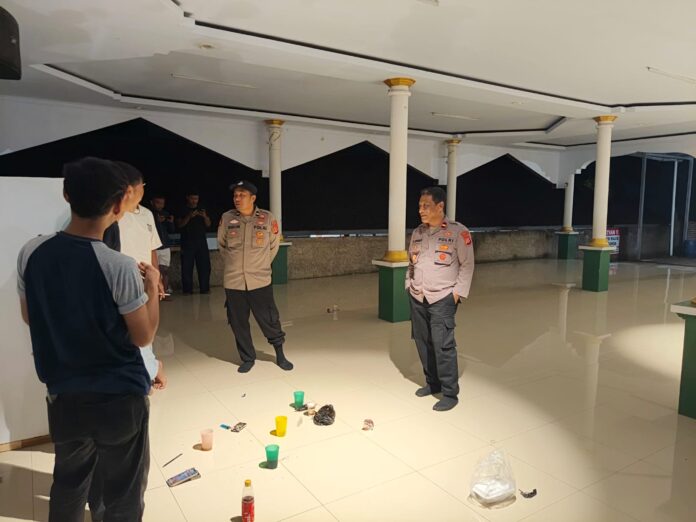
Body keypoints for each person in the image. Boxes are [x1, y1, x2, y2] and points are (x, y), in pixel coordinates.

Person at [16, 157, 160, 521]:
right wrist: (153, 289)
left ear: (67, 195)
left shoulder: (31, 253)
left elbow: (30, 317)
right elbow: (143, 336)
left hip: (64, 396)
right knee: (123, 495)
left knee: (69, 483)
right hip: (119, 398)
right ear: (119, 205)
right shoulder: (118, 265)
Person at [405, 186, 474, 411]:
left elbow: (467, 265)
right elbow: (411, 262)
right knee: (423, 342)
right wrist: (408, 285)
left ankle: (450, 393)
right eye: (419, 206)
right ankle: (432, 383)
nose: (421, 210)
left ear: (440, 206)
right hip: (418, 296)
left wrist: (456, 294)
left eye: (426, 206)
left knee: (443, 345)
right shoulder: (418, 232)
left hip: (443, 298)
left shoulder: (458, 232)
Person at [217, 180, 292, 373]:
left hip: (260, 281)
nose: (237, 198)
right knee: (238, 322)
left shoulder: (267, 218)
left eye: (242, 195)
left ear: (253, 198)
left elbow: (273, 246)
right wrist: (234, 265)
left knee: (269, 319)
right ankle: (247, 358)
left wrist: (260, 265)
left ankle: (280, 354)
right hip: (234, 282)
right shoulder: (226, 218)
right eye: (235, 195)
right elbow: (222, 245)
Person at [176, 190, 211, 294]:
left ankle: (205, 289)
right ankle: (187, 290)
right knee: (187, 266)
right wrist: (189, 216)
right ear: (187, 198)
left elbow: (208, 224)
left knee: (204, 266)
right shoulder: (182, 209)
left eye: (196, 199)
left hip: (201, 241)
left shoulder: (202, 209)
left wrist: (204, 216)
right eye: (192, 198)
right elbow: (179, 225)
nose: (194, 201)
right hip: (187, 241)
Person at [150, 194, 175, 295]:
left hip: (165, 246)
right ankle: (155, 292)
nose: (160, 205)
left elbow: (172, 230)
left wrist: (171, 222)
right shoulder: (148, 214)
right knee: (154, 271)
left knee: (165, 270)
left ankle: (165, 291)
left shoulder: (165, 214)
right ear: (152, 202)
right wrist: (156, 221)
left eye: (162, 203)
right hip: (153, 247)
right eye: (158, 203)